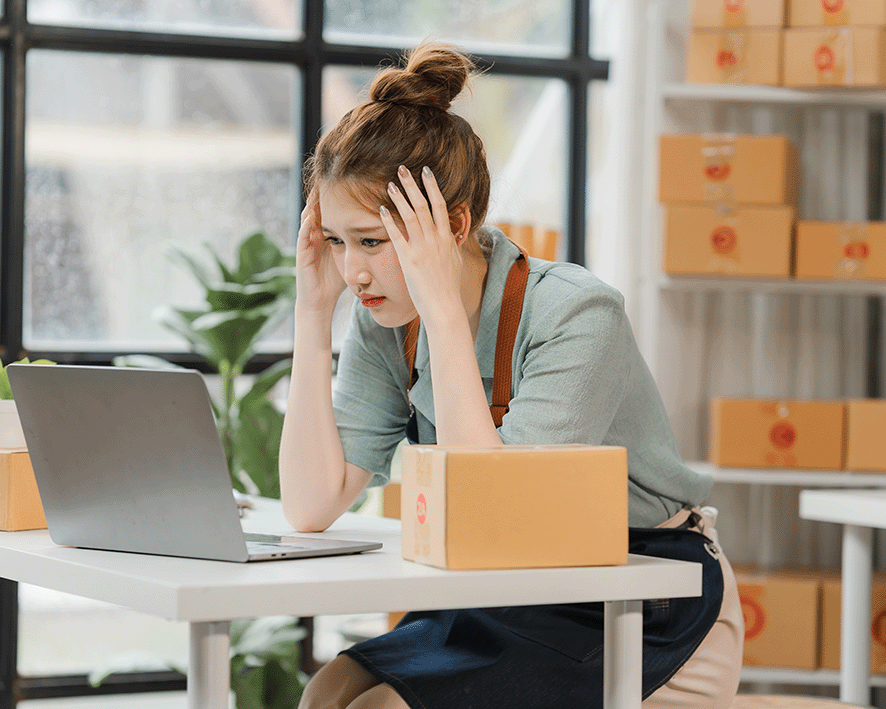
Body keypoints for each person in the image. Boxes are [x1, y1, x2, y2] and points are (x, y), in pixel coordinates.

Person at [279, 42, 743, 709]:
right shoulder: (385, 319)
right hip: (503, 586)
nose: (352, 271)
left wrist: (441, 307)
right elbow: (310, 503)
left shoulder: (577, 311)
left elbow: (503, 520)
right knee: (327, 692)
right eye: (338, 241)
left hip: (643, 591)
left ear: (455, 224)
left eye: (373, 242)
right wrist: (312, 311)